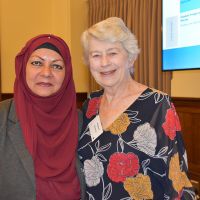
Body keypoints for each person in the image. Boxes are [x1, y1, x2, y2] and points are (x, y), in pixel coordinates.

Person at [78, 17, 196, 199]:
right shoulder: (90, 105)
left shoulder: (158, 104)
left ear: (131, 58)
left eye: (112, 53)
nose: (104, 62)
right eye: (96, 55)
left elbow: (177, 178)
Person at [0, 34, 85, 200]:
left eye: (57, 66)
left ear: (67, 74)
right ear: (23, 67)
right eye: (37, 63)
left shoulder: (82, 121)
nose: (46, 73)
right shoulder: (2, 117)